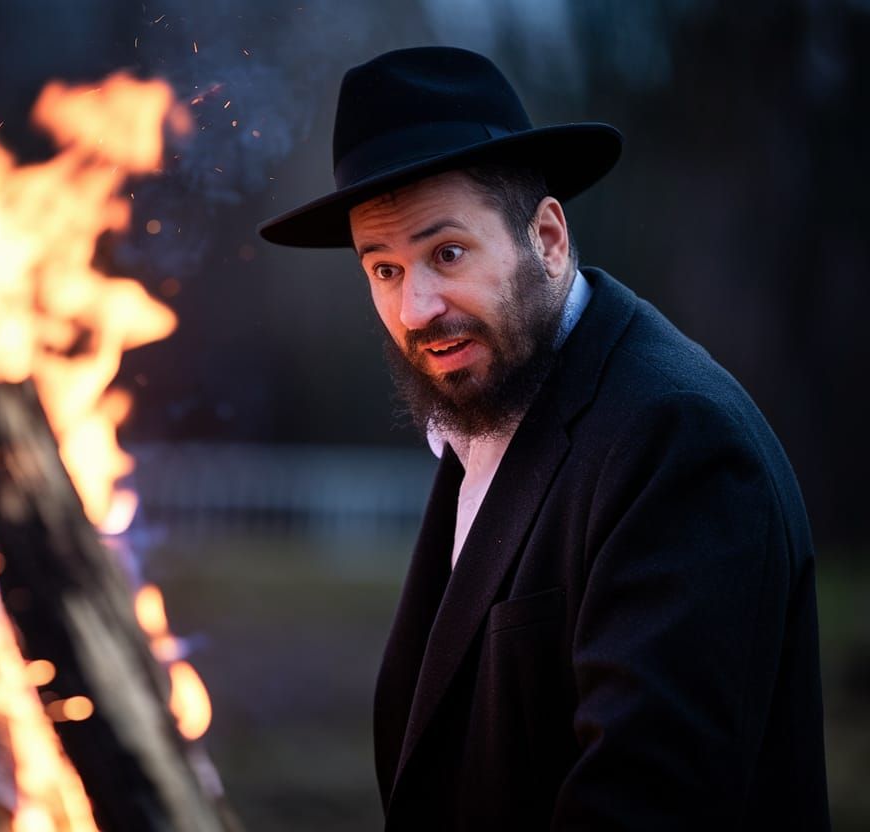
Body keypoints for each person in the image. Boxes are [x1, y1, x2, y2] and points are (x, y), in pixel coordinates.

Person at [258, 47, 829, 830]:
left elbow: (647, 807)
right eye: (384, 270)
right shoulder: (489, 407)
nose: (416, 307)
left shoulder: (677, 440)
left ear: (550, 238)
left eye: (446, 253)